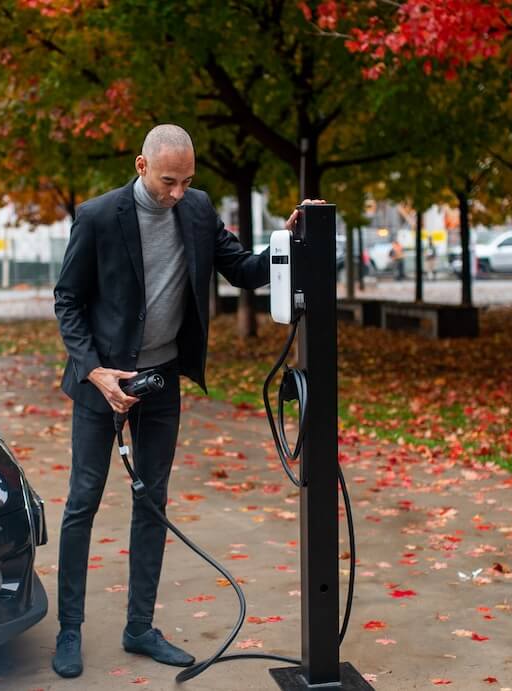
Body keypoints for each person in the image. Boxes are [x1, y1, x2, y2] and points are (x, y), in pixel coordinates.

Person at [51, 123, 324, 679]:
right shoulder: (100, 217)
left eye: (187, 181)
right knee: (83, 502)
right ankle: (69, 630)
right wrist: (96, 373)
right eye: (169, 181)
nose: (178, 193)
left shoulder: (197, 210)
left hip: (163, 380)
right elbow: (68, 300)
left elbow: (244, 270)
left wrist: (287, 239)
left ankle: (139, 627)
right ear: (141, 166)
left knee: (152, 504)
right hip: (104, 381)